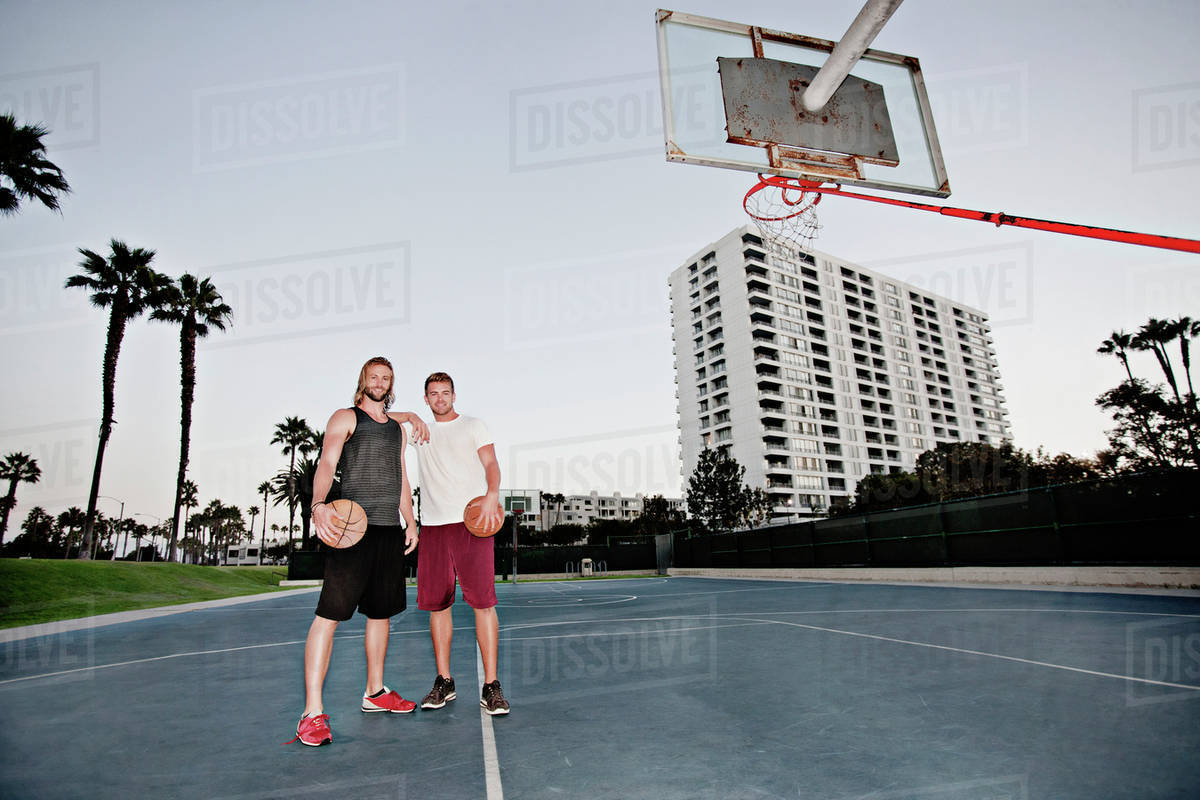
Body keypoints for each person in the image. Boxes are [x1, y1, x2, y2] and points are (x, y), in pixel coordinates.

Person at [288, 356, 427, 747]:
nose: (380, 382)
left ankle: (375, 692)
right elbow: (327, 461)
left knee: (381, 614)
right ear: (363, 381)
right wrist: (318, 505)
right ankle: (311, 713)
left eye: (386, 378)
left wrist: (410, 521)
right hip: (352, 529)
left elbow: (400, 476)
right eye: (373, 376)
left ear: (391, 384)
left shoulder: (397, 429)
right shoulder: (345, 417)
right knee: (328, 616)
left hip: (387, 529)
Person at [413, 371, 509, 716]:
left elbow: (491, 463)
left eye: (445, 392)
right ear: (426, 399)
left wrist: (492, 494)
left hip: (472, 523)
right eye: (433, 394)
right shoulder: (418, 430)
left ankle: (491, 685)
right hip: (435, 526)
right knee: (438, 606)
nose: (440, 398)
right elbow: (378, 416)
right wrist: (410, 416)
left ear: (454, 395)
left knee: (483, 603)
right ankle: (444, 680)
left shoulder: (474, 425)